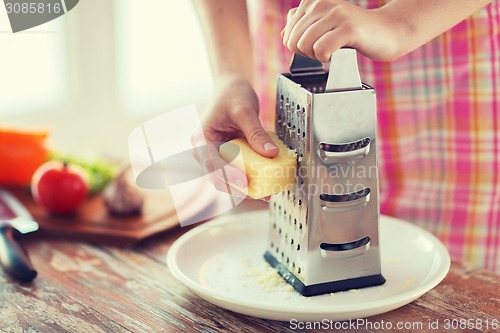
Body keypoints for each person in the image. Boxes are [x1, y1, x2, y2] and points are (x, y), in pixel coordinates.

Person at [193, 0, 500, 273]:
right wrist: (230, 74)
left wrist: (399, 21)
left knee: (459, 284)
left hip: (444, 70)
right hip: (299, 50)